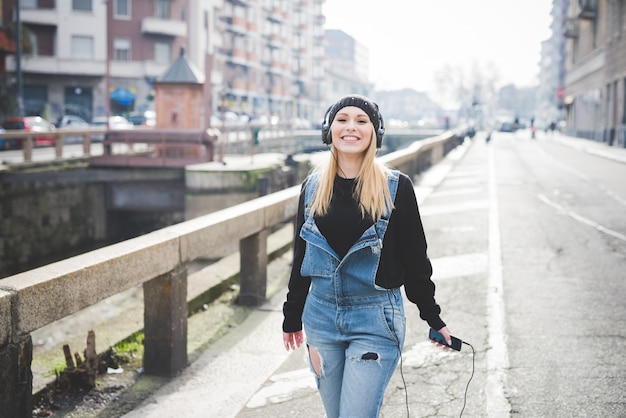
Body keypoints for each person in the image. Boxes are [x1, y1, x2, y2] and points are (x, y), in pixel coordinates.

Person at [282, 94, 454, 417]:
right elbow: (301, 259)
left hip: (374, 320)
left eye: (361, 121)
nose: (351, 127)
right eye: (342, 119)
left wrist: (433, 317)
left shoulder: (396, 188)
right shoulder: (312, 187)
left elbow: (417, 262)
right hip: (320, 319)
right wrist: (291, 317)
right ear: (328, 130)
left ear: (375, 132)